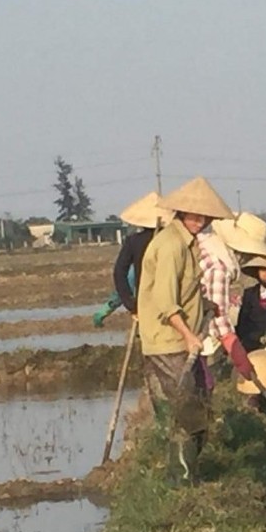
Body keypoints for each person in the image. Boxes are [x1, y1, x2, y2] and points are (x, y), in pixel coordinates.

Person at [138, 176, 234, 483]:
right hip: (169, 341)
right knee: (187, 409)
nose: (199, 220)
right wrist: (189, 334)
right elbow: (167, 302)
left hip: (181, 339)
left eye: (203, 216)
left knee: (198, 403)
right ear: (180, 213)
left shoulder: (188, 244)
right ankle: (180, 480)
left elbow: (186, 292)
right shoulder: (170, 245)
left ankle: (188, 473)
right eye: (193, 215)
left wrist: (206, 306)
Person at [199, 212, 266, 379]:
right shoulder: (219, 267)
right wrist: (238, 355)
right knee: (202, 385)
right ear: (241, 251)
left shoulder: (206, 245)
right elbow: (218, 316)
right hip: (193, 335)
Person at [92, 191, 166, 326]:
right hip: (169, 300)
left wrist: (130, 303)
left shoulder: (134, 241)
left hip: (144, 301)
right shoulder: (171, 240)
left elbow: (120, 272)